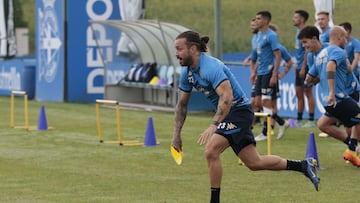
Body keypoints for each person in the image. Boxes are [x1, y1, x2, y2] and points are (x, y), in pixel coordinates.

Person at [172, 30, 320, 203]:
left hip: (239, 111)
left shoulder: (210, 67)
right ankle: (303, 165)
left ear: (193, 49)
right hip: (230, 114)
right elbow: (181, 105)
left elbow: (227, 98)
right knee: (254, 163)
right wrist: (176, 135)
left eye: (179, 49)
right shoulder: (187, 73)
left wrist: (214, 125)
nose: (176, 54)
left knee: (211, 151)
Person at [302, 26, 360, 167]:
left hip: (329, 101)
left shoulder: (321, 54)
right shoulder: (337, 51)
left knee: (323, 124)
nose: (347, 40)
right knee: (356, 121)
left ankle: (352, 148)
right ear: (340, 37)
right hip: (338, 97)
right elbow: (330, 67)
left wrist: (316, 81)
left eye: (305, 42)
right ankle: (352, 150)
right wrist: (332, 92)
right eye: (345, 37)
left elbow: (308, 79)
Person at [250, 11, 289, 141]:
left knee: (266, 102)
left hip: (268, 73)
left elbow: (278, 56)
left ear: (266, 21)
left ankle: (266, 132)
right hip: (260, 74)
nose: (256, 21)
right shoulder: (257, 37)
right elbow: (256, 57)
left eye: (259, 19)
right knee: (257, 102)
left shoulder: (271, 36)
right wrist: (253, 73)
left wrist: (274, 75)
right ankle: (282, 122)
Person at [293, 10, 316, 127]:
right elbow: (299, 51)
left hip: (305, 67)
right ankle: (299, 119)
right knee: (298, 93)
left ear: (302, 19)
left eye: (296, 17)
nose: (293, 19)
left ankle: (311, 119)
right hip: (298, 67)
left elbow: (307, 51)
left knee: (308, 92)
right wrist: (296, 65)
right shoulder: (297, 31)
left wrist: (303, 67)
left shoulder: (306, 32)